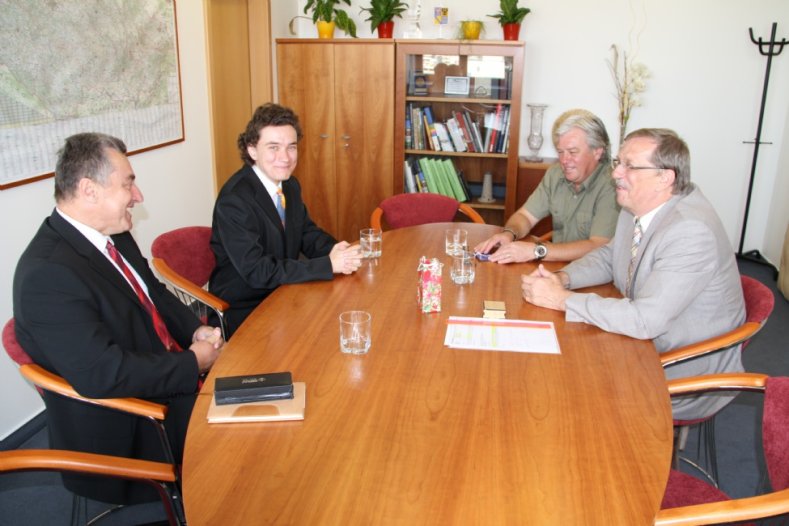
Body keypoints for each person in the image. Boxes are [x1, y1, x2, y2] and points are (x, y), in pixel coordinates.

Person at [12, 132, 223, 504]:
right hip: (134, 422)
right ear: (89, 190)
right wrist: (191, 363)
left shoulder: (110, 232)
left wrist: (196, 328)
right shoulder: (47, 276)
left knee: (267, 391)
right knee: (250, 436)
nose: (138, 196)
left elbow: (153, 292)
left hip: (161, 374)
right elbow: (103, 374)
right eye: (129, 183)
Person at [521, 128, 745, 420]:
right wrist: (563, 279)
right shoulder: (638, 204)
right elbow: (608, 257)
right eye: (618, 162)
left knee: (565, 387)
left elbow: (644, 320)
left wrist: (563, 300)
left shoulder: (690, 230)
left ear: (665, 177)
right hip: (643, 343)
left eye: (630, 166)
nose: (616, 174)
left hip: (680, 366)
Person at [209, 103, 362, 337]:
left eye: (291, 147)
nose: (285, 157)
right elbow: (258, 271)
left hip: (285, 291)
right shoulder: (235, 200)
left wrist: (341, 251)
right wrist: (327, 264)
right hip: (246, 305)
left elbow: (306, 233)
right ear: (252, 150)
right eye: (273, 147)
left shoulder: (289, 185)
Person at [475, 108, 619, 263]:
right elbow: (525, 216)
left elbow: (598, 246)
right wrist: (509, 234)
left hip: (595, 275)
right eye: (560, 152)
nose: (564, 160)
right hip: (555, 266)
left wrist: (537, 251)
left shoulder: (612, 185)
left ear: (597, 152)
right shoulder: (556, 174)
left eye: (572, 152)